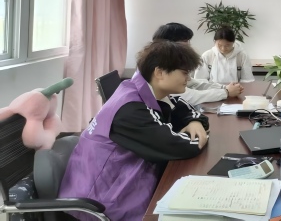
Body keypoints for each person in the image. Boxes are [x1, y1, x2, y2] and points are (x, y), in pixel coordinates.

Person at [59, 41, 210, 221]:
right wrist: (196, 132)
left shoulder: (139, 89)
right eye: (185, 73)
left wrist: (194, 122)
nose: (189, 78)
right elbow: (182, 146)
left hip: (119, 188)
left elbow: (187, 110)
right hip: (99, 206)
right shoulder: (130, 110)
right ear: (159, 73)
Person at [152, 22, 243, 104]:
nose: (189, 45)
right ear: (170, 43)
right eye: (185, 41)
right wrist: (225, 92)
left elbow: (193, 83)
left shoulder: (170, 59)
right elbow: (188, 96)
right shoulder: (162, 64)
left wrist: (224, 87)